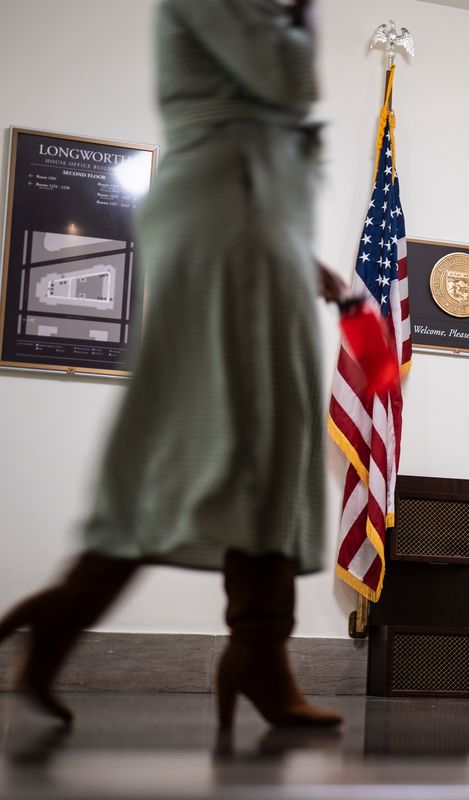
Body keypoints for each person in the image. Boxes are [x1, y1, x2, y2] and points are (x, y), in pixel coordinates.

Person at [0, 0, 345, 729]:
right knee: (201, 437)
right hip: (227, 212)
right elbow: (286, 81)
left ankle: (257, 653)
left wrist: (297, 253)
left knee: (271, 443)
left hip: (256, 223)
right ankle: (63, 614)